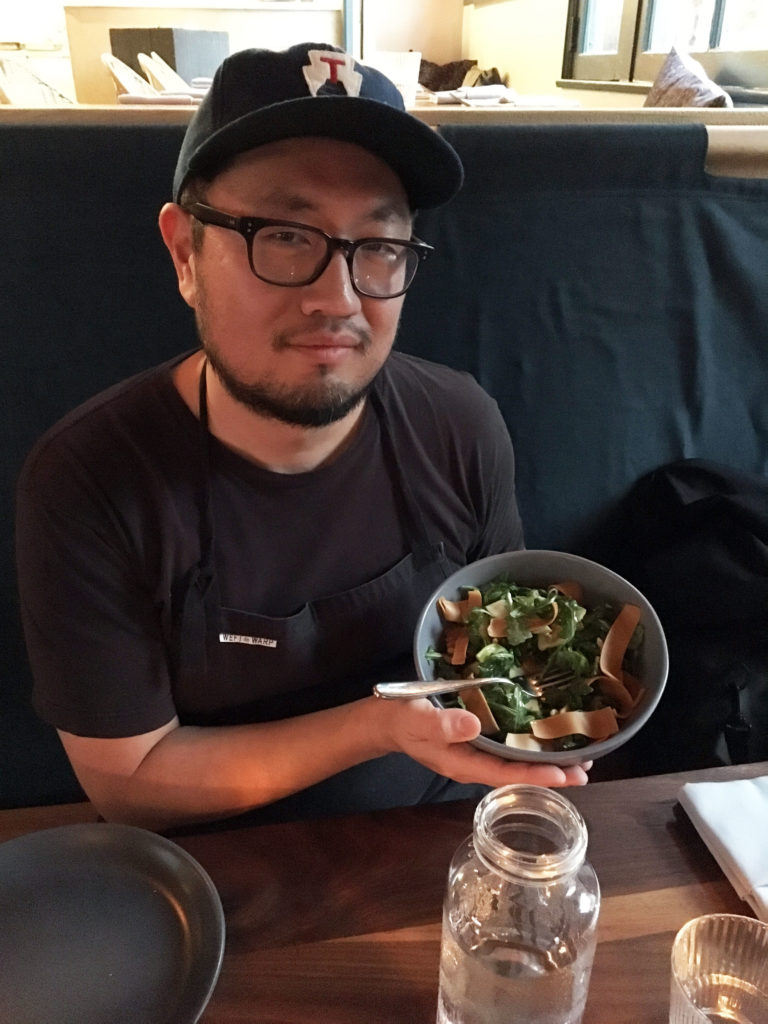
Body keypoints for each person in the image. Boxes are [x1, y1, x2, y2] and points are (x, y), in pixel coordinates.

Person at [16, 42, 589, 831]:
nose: (338, 297)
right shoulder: (91, 480)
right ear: (185, 252)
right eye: (285, 235)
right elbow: (130, 780)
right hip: (222, 877)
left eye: (379, 245)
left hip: (442, 838)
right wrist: (376, 727)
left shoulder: (460, 424)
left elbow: (498, 647)